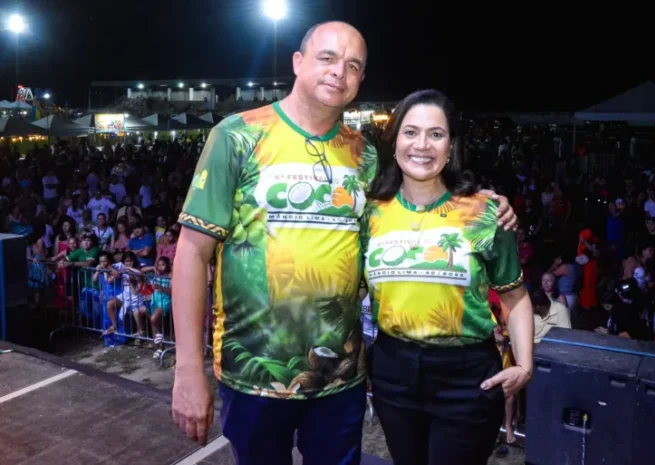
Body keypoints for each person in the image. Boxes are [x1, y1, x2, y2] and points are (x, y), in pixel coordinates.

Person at [172, 21, 517, 465]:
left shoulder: (366, 155)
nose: (339, 71)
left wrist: (480, 202)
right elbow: (191, 252)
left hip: (341, 378)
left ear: (360, 79)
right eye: (328, 58)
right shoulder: (237, 135)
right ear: (298, 62)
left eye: (353, 65)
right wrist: (188, 369)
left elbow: (419, 197)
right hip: (254, 374)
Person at [362, 89, 534, 465]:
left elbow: (515, 296)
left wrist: (524, 365)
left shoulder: (486, 212)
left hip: (467, 377)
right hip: (393, 370)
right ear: (394, 142)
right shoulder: (370, 213)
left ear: (451, 146)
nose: (422, 145)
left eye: (436, 134)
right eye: (410, 132)